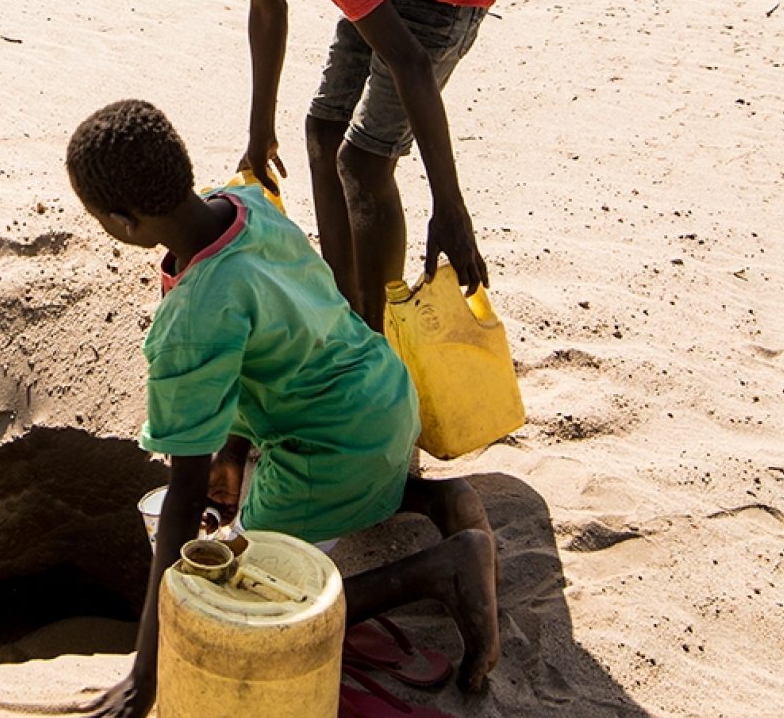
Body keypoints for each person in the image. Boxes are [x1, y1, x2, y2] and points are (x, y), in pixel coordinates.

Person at [65, 99, 499, 718]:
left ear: (121, 222)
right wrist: (235, 452)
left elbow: (184, 497)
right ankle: (432, 498)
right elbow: (276, 328)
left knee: (259, 592)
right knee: (291, 504)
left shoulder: (190, 320)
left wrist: (147, 672)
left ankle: (444, 570)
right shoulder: (246, 206)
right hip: (383, 396)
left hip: (331, 449)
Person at [115, 0, 508, 331]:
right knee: (322, 132)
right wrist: (260, 135)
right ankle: (342, 307)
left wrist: (449, 207)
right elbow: (268, 10)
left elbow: (411, 63)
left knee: (364, 161)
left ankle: (378, 328)